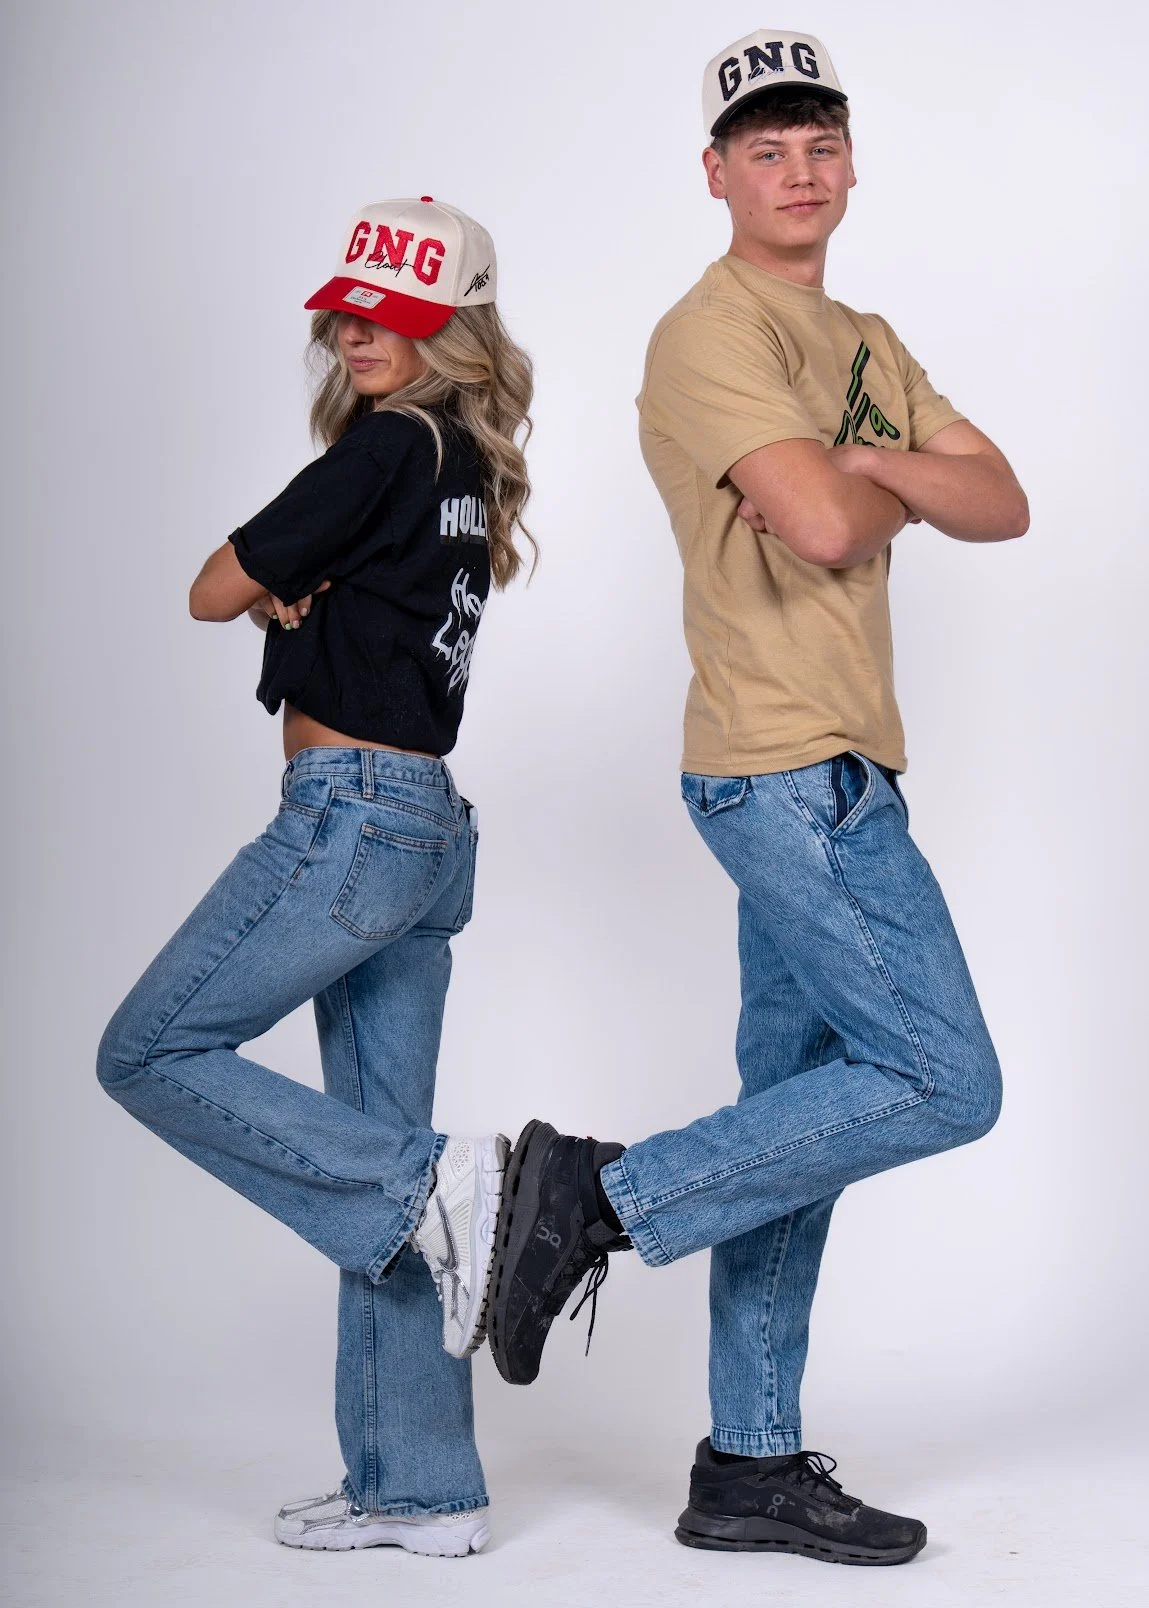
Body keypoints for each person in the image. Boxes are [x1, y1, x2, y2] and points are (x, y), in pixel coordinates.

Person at [486, 30, 1028, 1567]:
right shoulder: (706, 333)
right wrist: (889, 471)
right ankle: (597, 1195)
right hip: (783, 769)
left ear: (851, 162)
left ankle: (749, 1459)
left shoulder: (863, 335)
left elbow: (1002, 498)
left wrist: (879, 461)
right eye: (765, 148)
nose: (798, 170)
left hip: (839, 767)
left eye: (819, 143)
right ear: (716, 173)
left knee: (805, 1119)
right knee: (942, 1078)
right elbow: (822, 526)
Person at [96, 195, 532, 1558]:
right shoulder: (463, 460)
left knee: (150, 1051)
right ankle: (423, 1489)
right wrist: (304, 591)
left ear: (453, 329)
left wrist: (277, 585)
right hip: (427, 829)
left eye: (390, 317)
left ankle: (440, 1192)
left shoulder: (383, 446)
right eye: (347, 311)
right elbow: (324, 599)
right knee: (378, 1160)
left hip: (352, 822)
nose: (356, 334)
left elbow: (208, 587)